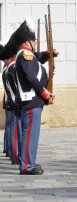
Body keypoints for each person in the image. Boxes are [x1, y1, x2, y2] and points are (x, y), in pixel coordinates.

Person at [6, 18, 56, 175]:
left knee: (30, 134)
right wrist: (45, 94)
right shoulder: (25, 55)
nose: (35, 43)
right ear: (27, 42)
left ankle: (28, 162)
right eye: (33, 40)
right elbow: (32, 78)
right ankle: (27, 166)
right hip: (31, 99)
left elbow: (37, 58)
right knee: (30, 135)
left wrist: (48, 54)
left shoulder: (26, 54)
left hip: (31, 100)